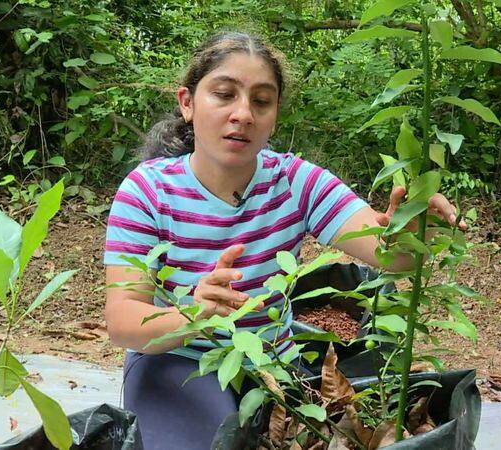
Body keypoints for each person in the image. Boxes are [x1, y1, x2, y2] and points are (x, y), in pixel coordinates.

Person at [103, 31, 466, 450]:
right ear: (187, 103)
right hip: (176, 360)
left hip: (273, 366)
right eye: (224, 94)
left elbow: (389, 254)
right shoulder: (147, 192)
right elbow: (124, 322)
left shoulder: (295, 182)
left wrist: (417, 228)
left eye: (261, 101)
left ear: (275, 115)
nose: (243, 114)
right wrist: (197, 314)